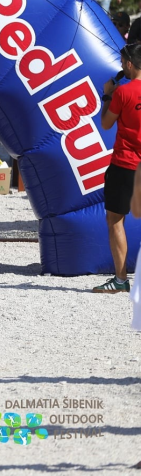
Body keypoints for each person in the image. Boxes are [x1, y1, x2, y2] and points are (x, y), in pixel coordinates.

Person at [95, 44, 141, 293]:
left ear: (130, 64)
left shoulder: (122, 92)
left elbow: (105, 123)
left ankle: (121, 279)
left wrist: (107, 95)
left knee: (115, 220)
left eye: (123, 62)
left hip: (125, 164)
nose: (122, 66)